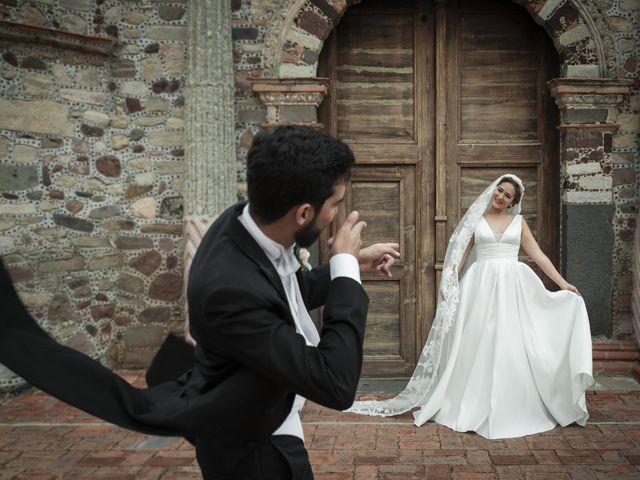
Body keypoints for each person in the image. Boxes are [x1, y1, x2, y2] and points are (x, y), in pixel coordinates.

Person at [0, 125, 400, 479]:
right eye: (334, 205)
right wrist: (344, 267)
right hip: (254, 447)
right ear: (303, 213)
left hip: (269, 414)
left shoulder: (246, 221)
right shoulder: (232, 288)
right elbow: (335, 383)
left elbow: (285, 294)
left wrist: (345, 269)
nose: (335, 215)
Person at [348, 174, 594, 439]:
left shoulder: (519, 223)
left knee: (512, 342)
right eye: (499, 191)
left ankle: (514, 403)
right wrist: (448, 284)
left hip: (513, 286)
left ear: (513, 202)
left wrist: (563, 283)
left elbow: (539, 256)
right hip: (480, 285)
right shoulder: (476, 221)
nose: (501, 196)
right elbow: (458, 259)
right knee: (480, 340)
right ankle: (472, 401)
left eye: (507, 195)